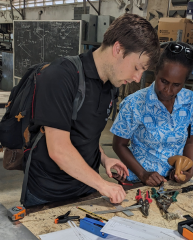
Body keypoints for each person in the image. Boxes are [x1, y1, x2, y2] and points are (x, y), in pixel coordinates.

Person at [23, 13, 160, 207]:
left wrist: (104, 159)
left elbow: (85, 134)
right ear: (118, 49)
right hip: (48, 194)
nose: (138, 78)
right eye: (137, 67)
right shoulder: (61, 76)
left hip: (86, 189)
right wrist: (104, 185)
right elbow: (59, 150)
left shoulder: (110, 85)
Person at [111, 42, 193, 186]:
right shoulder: (135, 103)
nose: (168, 90)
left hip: (172, 182)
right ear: (155, 72)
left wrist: (188, 169)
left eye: (176, 85)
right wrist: (143, 174)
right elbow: (119, 145)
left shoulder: (190, 100)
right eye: (164, 81)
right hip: (138, 181)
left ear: (184, 82)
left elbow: (191, 141)